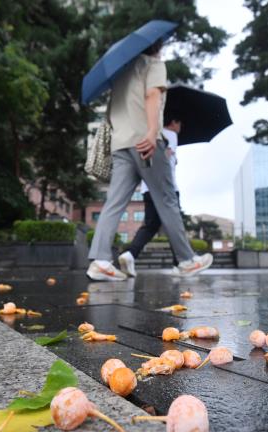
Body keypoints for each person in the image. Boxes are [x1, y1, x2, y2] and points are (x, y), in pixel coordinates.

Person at [86, 39, 212, 281]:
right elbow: (152, 94)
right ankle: (186, 260)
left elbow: (111, 116)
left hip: (120, 144)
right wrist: (153, 132)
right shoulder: (153, 65)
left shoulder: (120, 76)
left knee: (114, 203)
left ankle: (100, 261)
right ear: (157, 46)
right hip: (145, 142)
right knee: (166, 199)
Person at [118, 114, 183, 277]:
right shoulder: (170, 135)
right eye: (180, 123)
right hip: (166, 187)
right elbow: (166, 158)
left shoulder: (148, 132)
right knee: (174, 224)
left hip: (148, 187)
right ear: (173, 121)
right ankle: (181, 262)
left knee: (150, 225)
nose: (180, 127)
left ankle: (130, 254)